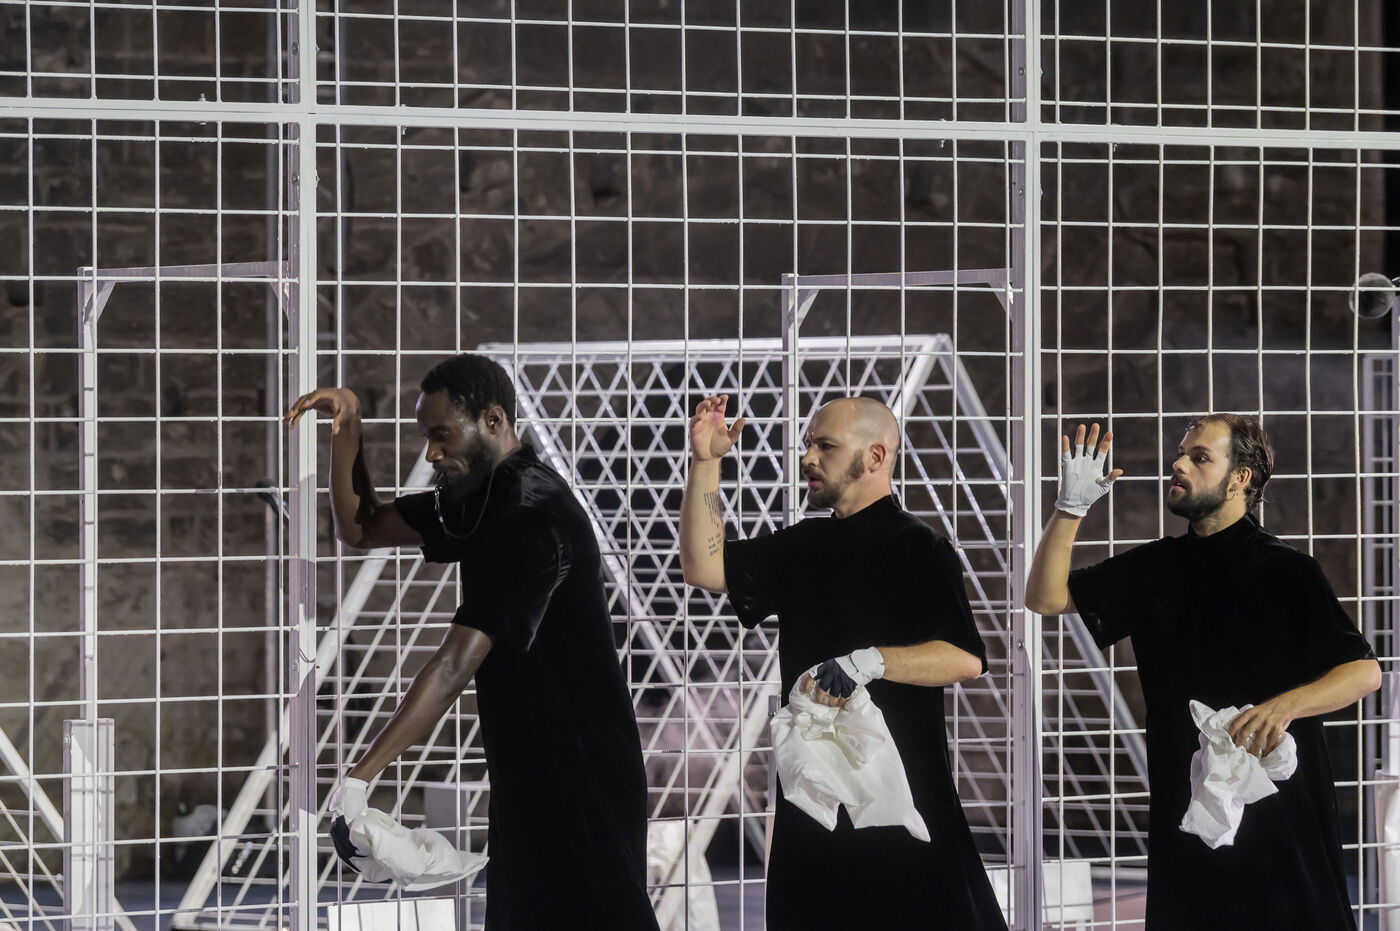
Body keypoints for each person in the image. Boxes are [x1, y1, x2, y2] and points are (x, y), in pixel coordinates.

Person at [285, 354, 659, 930]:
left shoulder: (533, 514)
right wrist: (348, 426)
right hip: (526, 768)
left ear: (493, 420)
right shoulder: (482, 498)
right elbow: (361, 527)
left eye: (441, 436)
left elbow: (454, 665)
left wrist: (360, 777)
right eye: (426, 438)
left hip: (583, 773)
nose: (432, 454)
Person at [1025, 416, 1380, 930]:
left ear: (1240, 478)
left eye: (1200, 457)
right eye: (1181, 453)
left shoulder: (1288, 571)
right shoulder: (1155, 568)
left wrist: (1283, 707)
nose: (1178, 463)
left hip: (1280, 816)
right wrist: (1069, 508)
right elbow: (1044, 597)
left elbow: (1363, 672)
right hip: (1188, 815)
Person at [678, 393, 1008, 929]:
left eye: (825, 446)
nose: (808, 457)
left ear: (875, 456)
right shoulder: (804, 544)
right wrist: (705, 463)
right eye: (808, 444)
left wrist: (869, 662)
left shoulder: (921, 548)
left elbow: (965, 657)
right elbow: (703, 566)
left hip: (902, 796)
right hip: (814, 796)